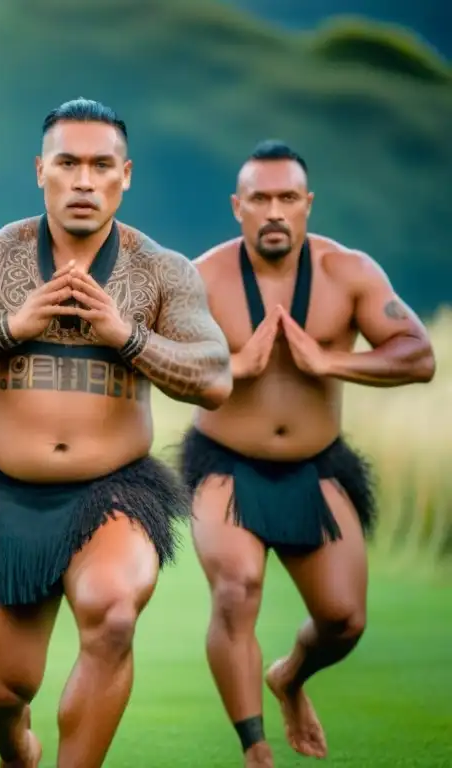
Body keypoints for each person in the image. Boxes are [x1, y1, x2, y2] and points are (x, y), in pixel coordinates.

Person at [0, 97, 233, 768]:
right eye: (68, 163)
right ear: (39, 169)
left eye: (101, 165)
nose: (84, 181)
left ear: (125, 174)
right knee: (4, 687)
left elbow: (214, 377)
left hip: (116, 492)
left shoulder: (162, 271)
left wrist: (125, 335)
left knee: (112, 615)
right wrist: (8, 329)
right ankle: (15, 744)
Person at [180, 140, 436, 767]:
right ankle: (256, 749)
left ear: (308, 205)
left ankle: (289, 677)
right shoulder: (201, 277)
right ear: (238, 206)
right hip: (224, 463)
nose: (275, 211)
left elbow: (418, 354)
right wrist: (231, 366)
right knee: (236, 588)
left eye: (288, 198)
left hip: (319, 466)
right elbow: (157, 363)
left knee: (345, 620)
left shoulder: (348, 272)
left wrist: (331, 359)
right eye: (260, 198)